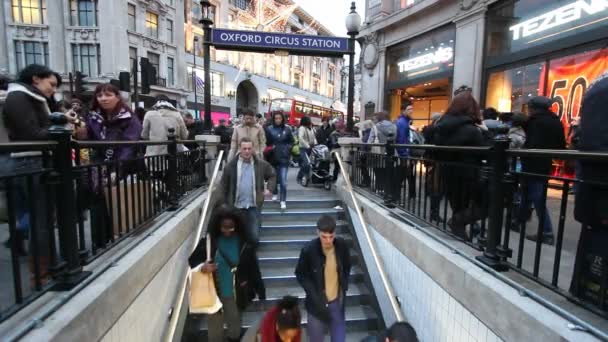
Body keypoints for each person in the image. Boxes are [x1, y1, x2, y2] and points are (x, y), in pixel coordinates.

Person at [2, 65, 76, 280]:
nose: (53, 89)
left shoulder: (30, 98)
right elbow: (33, 133)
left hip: (37, 162)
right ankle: (43, 272)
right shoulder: (19, 98)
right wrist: (63, 128)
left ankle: (50, 265)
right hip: (31, 162)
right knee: (40, 220)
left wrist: (62, 121)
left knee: (43, 219)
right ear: (36, 79)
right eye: (51, 84)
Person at [188, 205, 265, 342]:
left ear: (237, 225)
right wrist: (203, 267)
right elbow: (192, 260)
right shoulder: (209, 242)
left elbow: (254, 269)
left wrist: (261, 292)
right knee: (214, 334)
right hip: (214, 295)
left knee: (235, 331)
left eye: (231, 227)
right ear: (218, 226)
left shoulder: (244, 244)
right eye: (224, 227)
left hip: (236, 294)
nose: (228, 231)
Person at [81, 83, 143, 247]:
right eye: (100, 95)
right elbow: (87, 140)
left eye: (108, 95)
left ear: (117, 97)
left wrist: (118, 168)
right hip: (98, 167)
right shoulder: (92, 117)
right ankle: (99, 242)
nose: (103, 99)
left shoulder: (129, 118)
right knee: (98, 204)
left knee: (118, 201)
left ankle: (120, 237)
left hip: (122, 166)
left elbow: (129, 144)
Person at [570, 72, 608, 302]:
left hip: (597, 192)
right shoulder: (602, 91)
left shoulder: (600, 88)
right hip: (601, 194)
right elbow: (597, 146)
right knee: (597, 255)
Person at [432, 92, 487, 239]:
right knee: (485, 206)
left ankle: (461, 233)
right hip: (468, 173)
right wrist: (486, 133)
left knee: (457, 205)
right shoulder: (472, 130)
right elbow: (485, 152)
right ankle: (457, 223)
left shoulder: (441, 126)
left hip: (448, 171)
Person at [295, 215, 351, 342]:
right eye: (324, 237)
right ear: (317, 232)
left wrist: (344, 285)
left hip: (336, 304)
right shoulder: (309, 250)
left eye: (331, 237)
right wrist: (312, 292)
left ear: (335, 233)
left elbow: (347, 266)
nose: (328, 241)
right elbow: (300, 274)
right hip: (316, 305)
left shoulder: (341, 246)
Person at [519, 96, 566, 245]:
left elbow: (532, 144)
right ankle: (518, 219)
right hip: (545, 164)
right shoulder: (555, 121)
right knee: (528, 193)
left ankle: (546, 231)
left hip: (532, 164)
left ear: (533, 108)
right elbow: (560, 146)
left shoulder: (534, 122)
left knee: (536, 197)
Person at [220, 137, 276, 245]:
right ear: (240, 149)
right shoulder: (230, 166)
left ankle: (250, 256)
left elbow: (272, 174)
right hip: (236, 207)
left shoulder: (260, 164)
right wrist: (223, 204)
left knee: (254, 238)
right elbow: (223, 186)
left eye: (249, 148)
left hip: (253, 207)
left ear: (253, 149)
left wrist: (269, 188)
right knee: (236, 237)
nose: (247, 151)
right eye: (244, 148)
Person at [265, 112, 294, 210]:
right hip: (272, 157)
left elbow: (292, 141)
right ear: (273, 119)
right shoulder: (269, 129)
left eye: (279, 118)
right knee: (274, 177)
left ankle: (282, 200)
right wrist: (270, 148)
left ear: (282, 119)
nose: (278, 120)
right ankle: (275, 192)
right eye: (276, 118)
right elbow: (266, 142)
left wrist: (288, 148)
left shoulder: (287, 129)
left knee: (283, 181)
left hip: (284, 157)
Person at [367, 111, 397, 203]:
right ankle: (388, 192)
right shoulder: (394, 126)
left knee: (378, 172)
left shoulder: (375, 127)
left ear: (379, 118)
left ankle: (379, 189)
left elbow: (369, 142)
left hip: (378, 154)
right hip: (391, 153)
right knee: (388, 173)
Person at [395, 103, 416, 200]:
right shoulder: (402, 123)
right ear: (403, 111)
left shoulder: (405, 122)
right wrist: (405, 155)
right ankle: (396, 196)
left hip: (406, 154)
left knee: (407, 175)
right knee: (402, 176)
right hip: (404, 155)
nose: (411, 111)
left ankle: (409, 195)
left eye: (412, 109)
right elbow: (402, 140)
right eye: (409, 109)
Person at [297, 116, 317, 185]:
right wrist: (307, 145)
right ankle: (300, 177)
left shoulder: (311, 128)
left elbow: (314, 137)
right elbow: (300, 138)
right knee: (307, 163)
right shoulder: (302, 128)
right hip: (303, 148)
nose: (310, 121)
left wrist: (315, 144)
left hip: (311, 148)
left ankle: (306, 177)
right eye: (309, 120)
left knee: (309, 164)